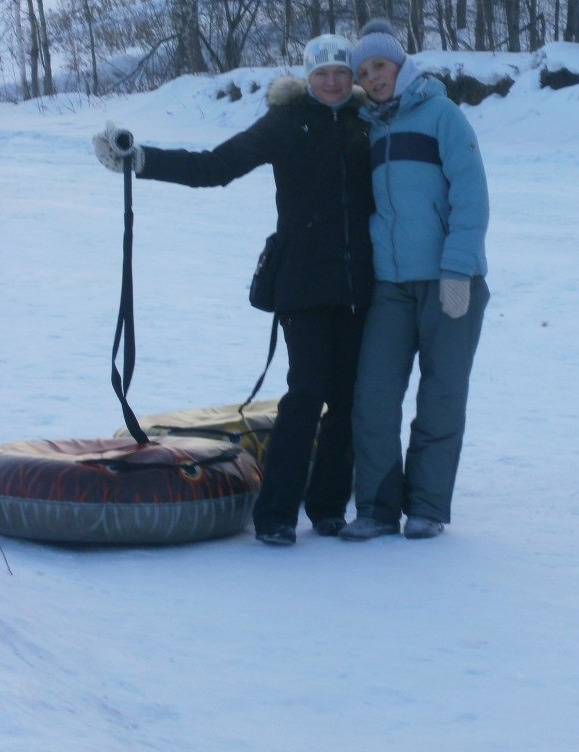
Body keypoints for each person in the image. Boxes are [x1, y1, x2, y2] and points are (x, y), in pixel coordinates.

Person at [93, 35, 374, 547]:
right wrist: (142, 160)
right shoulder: (286, 123)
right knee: (306, 395)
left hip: (361, 286)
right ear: (307, 77)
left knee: (351, 401)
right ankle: (276, 514)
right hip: (304, 285)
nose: (332, 80)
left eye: (341, 72)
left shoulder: (366, 124)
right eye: (322, 72)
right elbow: (214, 168)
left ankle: (330, 506)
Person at [339, 20, 490, 542]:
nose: (372, 77)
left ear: (399, 63)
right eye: (363, 71)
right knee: (374, 397)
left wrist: (458, 270)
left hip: (451, 280)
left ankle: (426, 507)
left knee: (442, 395)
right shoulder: (370, 126)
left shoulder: (442, 114)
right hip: (391, 286)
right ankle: (378, 508)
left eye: (378, 65)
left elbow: (471, 196)